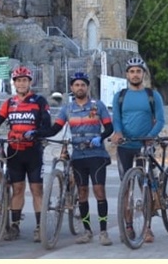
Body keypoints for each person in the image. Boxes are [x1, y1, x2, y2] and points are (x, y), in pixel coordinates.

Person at [0, 66, 51, 242]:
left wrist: (37, 133)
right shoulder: (9, 103)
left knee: (36, 189)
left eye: (24, 80)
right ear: (14, 83)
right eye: (18, 80)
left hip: (33, 151)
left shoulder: (39, 101)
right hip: (14, 151)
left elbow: (47, 124)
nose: (21, 83)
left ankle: (39, 226)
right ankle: (15, 226)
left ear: (30, 82)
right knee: (17, 189)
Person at [34, 71, 115, 246]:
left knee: (99, 190)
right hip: (78, 156)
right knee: (83, 193)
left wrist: (100, 137)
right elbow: (55, 129)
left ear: (88, 87)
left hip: (97, 154)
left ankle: (103, 231)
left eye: (83, 85)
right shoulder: (67, 109)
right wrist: (37, 132)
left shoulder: (97, 105)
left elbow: (109, 128)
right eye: (77, 85)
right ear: (72, 88)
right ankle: (87, 231)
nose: (80, 88)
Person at [110, 55, 165, 244]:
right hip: (125, 146)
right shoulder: (120, 96)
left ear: (143, 74)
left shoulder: (152, 95)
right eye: (132, 71)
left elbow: (161, 120)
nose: (135, 74)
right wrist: (117, 132)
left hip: (144, 145)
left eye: (138, 71)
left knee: (146, 186)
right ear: (127, 74)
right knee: (127, 188)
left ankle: (147, 227)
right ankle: (128, 226)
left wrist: (151, 136)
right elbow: (116, 119)